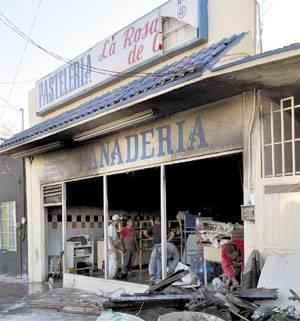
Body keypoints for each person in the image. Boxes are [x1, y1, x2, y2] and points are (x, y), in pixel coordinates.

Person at [108, 214, 122, 279]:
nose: (119, 221)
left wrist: (119, 247)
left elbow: (116, 239)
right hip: (111, 247)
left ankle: (114, 274)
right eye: (118, 220)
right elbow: (110, 238)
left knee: (115, 260)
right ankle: (111, 275)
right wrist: (113, 248)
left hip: (114, 246)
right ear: (115, 220)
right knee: (113, 261)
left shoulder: (114, 227)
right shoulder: (110, 228)